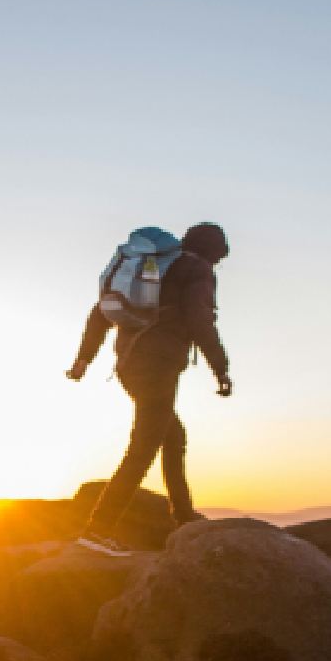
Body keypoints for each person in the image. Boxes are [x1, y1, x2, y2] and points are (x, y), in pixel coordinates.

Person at [67, 222, 232, 556]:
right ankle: (98, 529)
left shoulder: (152, 268)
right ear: (213, 253)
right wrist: (221, 368)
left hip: (129, 365)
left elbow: (99, 313)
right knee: (143, 447)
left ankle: (184, 520)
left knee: (173, 437)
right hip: (159, 366)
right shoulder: (196, 269)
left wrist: (83, 361)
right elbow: (200, 320)